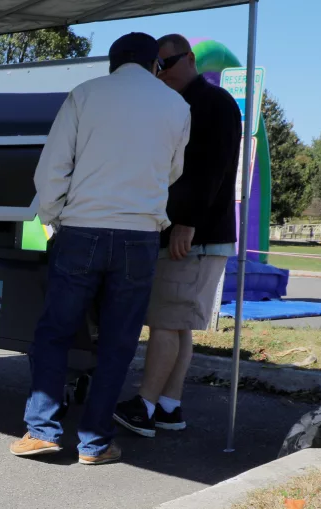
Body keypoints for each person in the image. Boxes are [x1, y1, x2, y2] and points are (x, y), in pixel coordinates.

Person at [10, 33, 191, 465]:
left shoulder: (85, 94)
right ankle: (95, 442)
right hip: (140, 234)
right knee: (118, 341)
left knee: (55, 332)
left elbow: (53, 166)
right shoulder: (177, 106)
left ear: (111, 64)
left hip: (82, 229)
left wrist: (54, 217)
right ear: (155, 66)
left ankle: (43, 430)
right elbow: (173, 170)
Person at [112, 34, 242, 438]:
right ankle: (168, 406)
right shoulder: (186, 103)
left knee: (165, 322)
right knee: (179, 324)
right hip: (193, 232)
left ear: (189, 59)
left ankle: (145, 405)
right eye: (157, 65)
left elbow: (212, 170)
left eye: (166, 64)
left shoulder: (214, 104)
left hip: (192, 235)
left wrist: (187, 223)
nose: (161, 72)